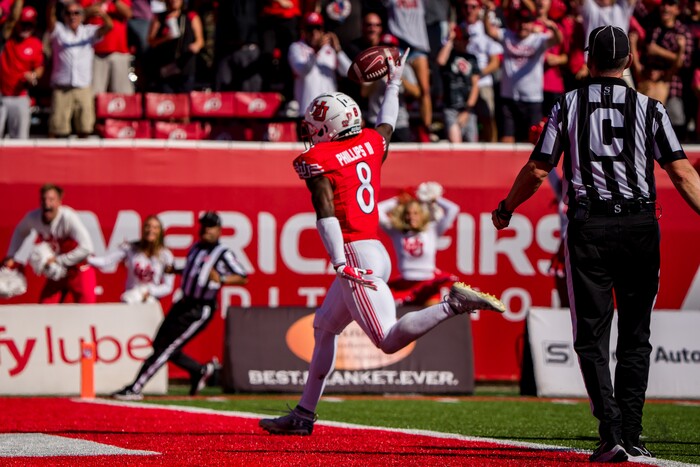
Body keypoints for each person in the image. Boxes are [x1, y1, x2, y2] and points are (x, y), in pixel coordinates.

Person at [259, 51, 505, 436]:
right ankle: (304, 414)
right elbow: (387, 124)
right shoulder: (371, 143)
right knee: (324, 328)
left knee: (387, 340)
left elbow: (324, 213)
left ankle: (453, 303)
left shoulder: (320, 159)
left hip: (356, 252)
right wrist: (393, 82)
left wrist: (339, 261)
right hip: (374, 250)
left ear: (330, 126)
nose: (310, 130)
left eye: (315, 124)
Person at [491, 26, 700, 462]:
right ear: (628, 61)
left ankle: (611, 432)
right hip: (640, 225)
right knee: (636, 336)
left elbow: (537, 168)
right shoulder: (650, 108)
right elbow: (682, 172)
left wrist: (507, 207)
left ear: (588, 60)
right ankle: (633, 431)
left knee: (591, 335)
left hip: (590, 227)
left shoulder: (568, 104)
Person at [112, 211, 248, 400]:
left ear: (219, 230)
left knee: (167, 347)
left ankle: (136, 387)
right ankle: (200, 370)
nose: (206, 230)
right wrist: (175, 270)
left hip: (200, 308)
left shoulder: (222, 252)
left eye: (210, 226)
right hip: (183, 302)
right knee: (160, 344)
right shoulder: (196, 247)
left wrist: (222, 278)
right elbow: (192, 270)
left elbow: (242, 276)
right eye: (204, 226)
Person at [3, 183, 97, 304]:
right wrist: (11, 255)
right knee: (45, 309)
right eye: (43, 199)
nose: (47, 203)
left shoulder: (68, 217)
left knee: (88, 313)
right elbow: (20, 231)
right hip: (57, 274)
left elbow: (87, 248)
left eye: (51, 199)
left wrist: (58, 260)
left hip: (79, 271)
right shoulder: (34, 217)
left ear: (59, 202)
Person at [378, 182, 461, 307]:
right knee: (401, 322)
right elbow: (377, 210)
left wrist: (432, 199)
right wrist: (399, 200)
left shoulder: (432, 230)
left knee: (432, 321)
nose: (411, 217)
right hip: (405, 284)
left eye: (416, 213)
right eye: (408, 213)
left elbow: (453, 209)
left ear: (422, 215)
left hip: (427, 284)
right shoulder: (397, 232)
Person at [46, 0, 113, 138]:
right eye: (69, 13)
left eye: (76, 13)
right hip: (62, 88)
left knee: (85, 128)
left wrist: (102, 14)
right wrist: (52, 4)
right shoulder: (58, 30)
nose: (72, 16)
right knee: (59, 130)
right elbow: (50, 18)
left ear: (82, 16)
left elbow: (109, 27)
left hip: (83, 87)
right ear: (63, 16)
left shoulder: (89, 31)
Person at [88, 215, 175, 304]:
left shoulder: (167, 256)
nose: (150, 230)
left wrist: (150, 291)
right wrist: (86, 259)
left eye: (155, 227)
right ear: (143, 229)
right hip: (130, 298)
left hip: (150, 301)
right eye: (147, 226)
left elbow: (168, 286)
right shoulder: (130, 248)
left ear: (160, 232)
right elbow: (105, 262)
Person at [288, 11, 351, 117]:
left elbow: (348, 72)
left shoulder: (330, 49)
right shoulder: (296, 47)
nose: (314, 32)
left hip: (330, 111)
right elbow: (301, 70)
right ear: (303, 30)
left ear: (322, 30)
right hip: (307, 110)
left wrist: (338, 50)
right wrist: (316, 50)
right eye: (310, 28)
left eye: (318, 28)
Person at [0, 4, 44, 139]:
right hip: (1, 95)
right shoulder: (7, 37)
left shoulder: (35, 43)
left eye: (29, 25)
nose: (25, 28)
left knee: (20, 139)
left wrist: (34, 75)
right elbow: (11, 20)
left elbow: (39, 67)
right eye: (22, 24)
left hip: (20, 96)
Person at [144, 0, 204, 93]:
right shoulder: (160, 18)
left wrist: (195, 46)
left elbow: (200, 41)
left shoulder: (190, 16)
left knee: (184, 100)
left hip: (185, 65)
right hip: (166, 66)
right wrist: (165, 38)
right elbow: (151, 41)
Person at [436, 23, 481, 143]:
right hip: (450, 108)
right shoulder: (448, 56)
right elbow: (440, 61)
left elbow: (475, 86)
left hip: (467, 108)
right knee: (455, 143)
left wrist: (467, 110)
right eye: (463, 38)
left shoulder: (472, 58)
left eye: (467, 39)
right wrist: (450, 40)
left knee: (472, 144)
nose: (466, 42)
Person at [82, 0, 134, 95]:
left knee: (123, 94)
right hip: (94, 51)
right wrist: (99, 4)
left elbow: (129, 14)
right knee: (95, 94)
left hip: (119, 50)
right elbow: (79, 14)